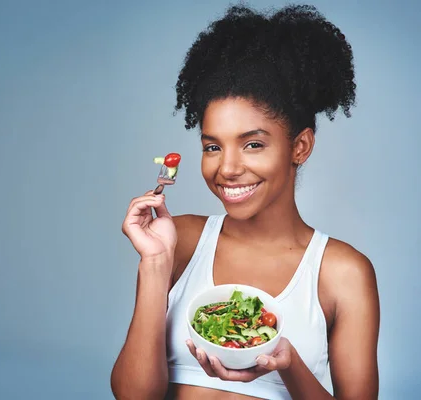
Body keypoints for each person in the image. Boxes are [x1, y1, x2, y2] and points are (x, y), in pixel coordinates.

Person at [111, 4, 380, 400]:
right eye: (212, 146)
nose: (228, 168)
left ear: (300, 146)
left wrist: (287, 365)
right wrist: (154, 264)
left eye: (253, 144)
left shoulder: (342, 273)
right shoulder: (180, 241)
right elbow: (133, 396)